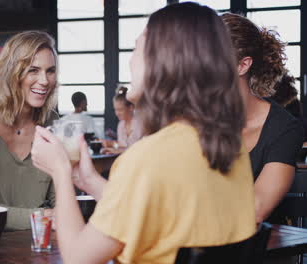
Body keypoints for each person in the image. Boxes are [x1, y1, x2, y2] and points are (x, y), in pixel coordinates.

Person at [31, 3, 256, 263]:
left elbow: (78, 258)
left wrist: (60, 173)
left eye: (137, 48)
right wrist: (90, 181)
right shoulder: (230, 147)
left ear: (162, 62)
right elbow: (152, 211)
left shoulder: (148, 158)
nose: (130, 58)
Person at [0, 31, 57, 230]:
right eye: (33, 70)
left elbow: (58, 200)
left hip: (44, 243)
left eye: (50, 70)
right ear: (11, 71)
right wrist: (46, 216)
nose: (44, 80)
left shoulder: (52, 122)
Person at [222, 13, 304, 224]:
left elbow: (254, 210)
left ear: (243, 65)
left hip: (256, 251)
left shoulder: (284, 129)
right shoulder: (196, 120)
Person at [101, 86, 141, 154]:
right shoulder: (121, 125)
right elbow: (122, 146)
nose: (117, 113)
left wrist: (116, 148)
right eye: (115, 110)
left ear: (131, 108)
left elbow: (141, 149)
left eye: (120, 110)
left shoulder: (141, 124)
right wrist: (112, 146)